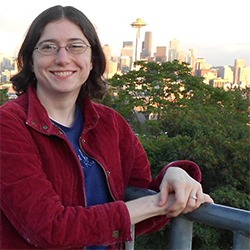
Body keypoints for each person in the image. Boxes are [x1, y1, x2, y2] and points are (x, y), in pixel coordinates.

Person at [0, 5, 213, 249]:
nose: (62, 58)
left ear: (93, 60)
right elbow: (48, 228)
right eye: (48, 47)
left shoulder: (111, 124)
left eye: (75, 46)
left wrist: (175, 175)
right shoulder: (8, 125)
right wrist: (157, 203)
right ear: (30, 60)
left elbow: (140, 208)